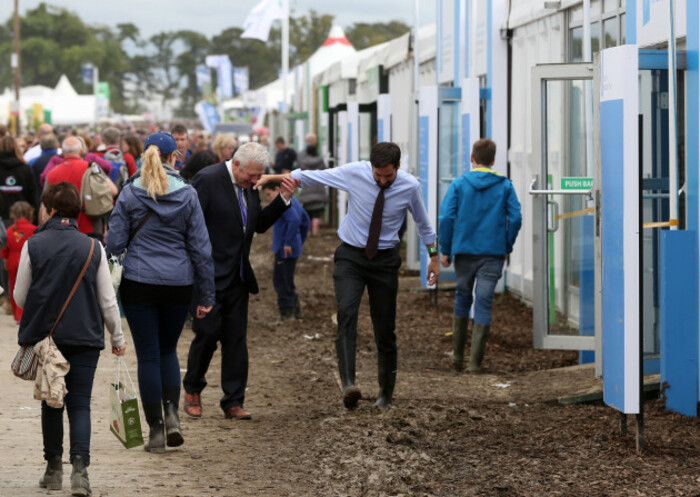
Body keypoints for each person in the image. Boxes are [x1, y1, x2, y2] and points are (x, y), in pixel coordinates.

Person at [256, 141, 440, 409]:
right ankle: (348, 384)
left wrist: (433, 257)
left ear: (398, 168)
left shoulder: (410, 186)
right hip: (351, 257)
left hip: (385, 261)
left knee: (385, 327)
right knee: (347, 313)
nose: (382, 181)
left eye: (388, 176)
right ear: (371, 168)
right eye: (377, 175)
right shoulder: (356, 172)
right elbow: (309, 176)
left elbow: (423, 224)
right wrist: (271, 177)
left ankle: (385, 394)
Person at [15, 182, 126, 496]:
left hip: (48, 339)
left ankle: (53, 470)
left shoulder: (33, 245)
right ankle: (81, 472)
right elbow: (108, 300)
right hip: (86, 337)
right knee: (79, 405)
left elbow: (21, 296)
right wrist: (117, 337)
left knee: (52, 402)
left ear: (49, 210)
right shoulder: (94, 246)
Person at [106, 132, 215, 453]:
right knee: (168, 351)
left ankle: (155, 428)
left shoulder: (129, 193)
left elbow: (114, 243)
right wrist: (206, 295)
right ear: (174, 157)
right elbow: (201, 249)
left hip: (139, 283)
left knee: (149, 356)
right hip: (179, 284)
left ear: (144, 156)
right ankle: (172, 414)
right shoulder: (189, 195)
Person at [183, 142, 296, 421]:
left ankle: (233, 401)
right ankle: (193, 389)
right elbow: (188, 225)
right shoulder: (207, 180)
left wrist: (281, 200)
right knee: (207, 335)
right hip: (208, 276)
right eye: (252, 175)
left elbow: (256, 225)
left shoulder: (250, 187)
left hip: (238, 277)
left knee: (236, 340)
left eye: (260, 176)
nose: (257, 181)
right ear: (236, 165)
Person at [438, 138, 522, 373]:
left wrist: (446, 249)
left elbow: (446, 218)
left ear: (472, 159)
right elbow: (515, 219)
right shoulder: (505, 186)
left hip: (464, 252)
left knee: (462, 297)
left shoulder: (459, 184)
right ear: (494, 161)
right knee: (484, 303)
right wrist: (506, 245)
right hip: (492, 253)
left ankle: (457, 358)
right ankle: (475, 364)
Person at [46, 136, 116, 239]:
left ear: (63, 152)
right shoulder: (91, 168)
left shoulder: (52, 173)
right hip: (90, 227)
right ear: (81, 151)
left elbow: (45, 205)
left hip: (60, 230)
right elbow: (113, 191)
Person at [261, 181, 310, 321]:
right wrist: (299, 240)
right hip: (292, 248)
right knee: (287, 279)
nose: (268, 198)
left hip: (285, 249)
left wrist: (288, 242)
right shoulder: (294, 201)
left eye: (269, 194)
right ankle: (295, 309)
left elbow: (294, 220)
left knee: (280, 281)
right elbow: (305, 221)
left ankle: (287, 314)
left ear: (277, 189)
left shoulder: (284, 204)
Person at [1, 200, 36, 323]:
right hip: (28, 259)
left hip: (12, 259)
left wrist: (5, 260)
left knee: (13, 287)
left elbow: (4, 247)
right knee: (28, 287)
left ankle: (17, 315)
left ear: (13, 215)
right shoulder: (34, 229)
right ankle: (24, 314)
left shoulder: (9, 230)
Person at [296, 133, 327, 236]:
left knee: (308, 212)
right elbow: (324, 170)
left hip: (307, 189)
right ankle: (315, 231)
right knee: (316, 213)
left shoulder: (302, 158)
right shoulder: (320, 159)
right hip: (318, 189)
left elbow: (298, 170)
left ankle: (308, 232)